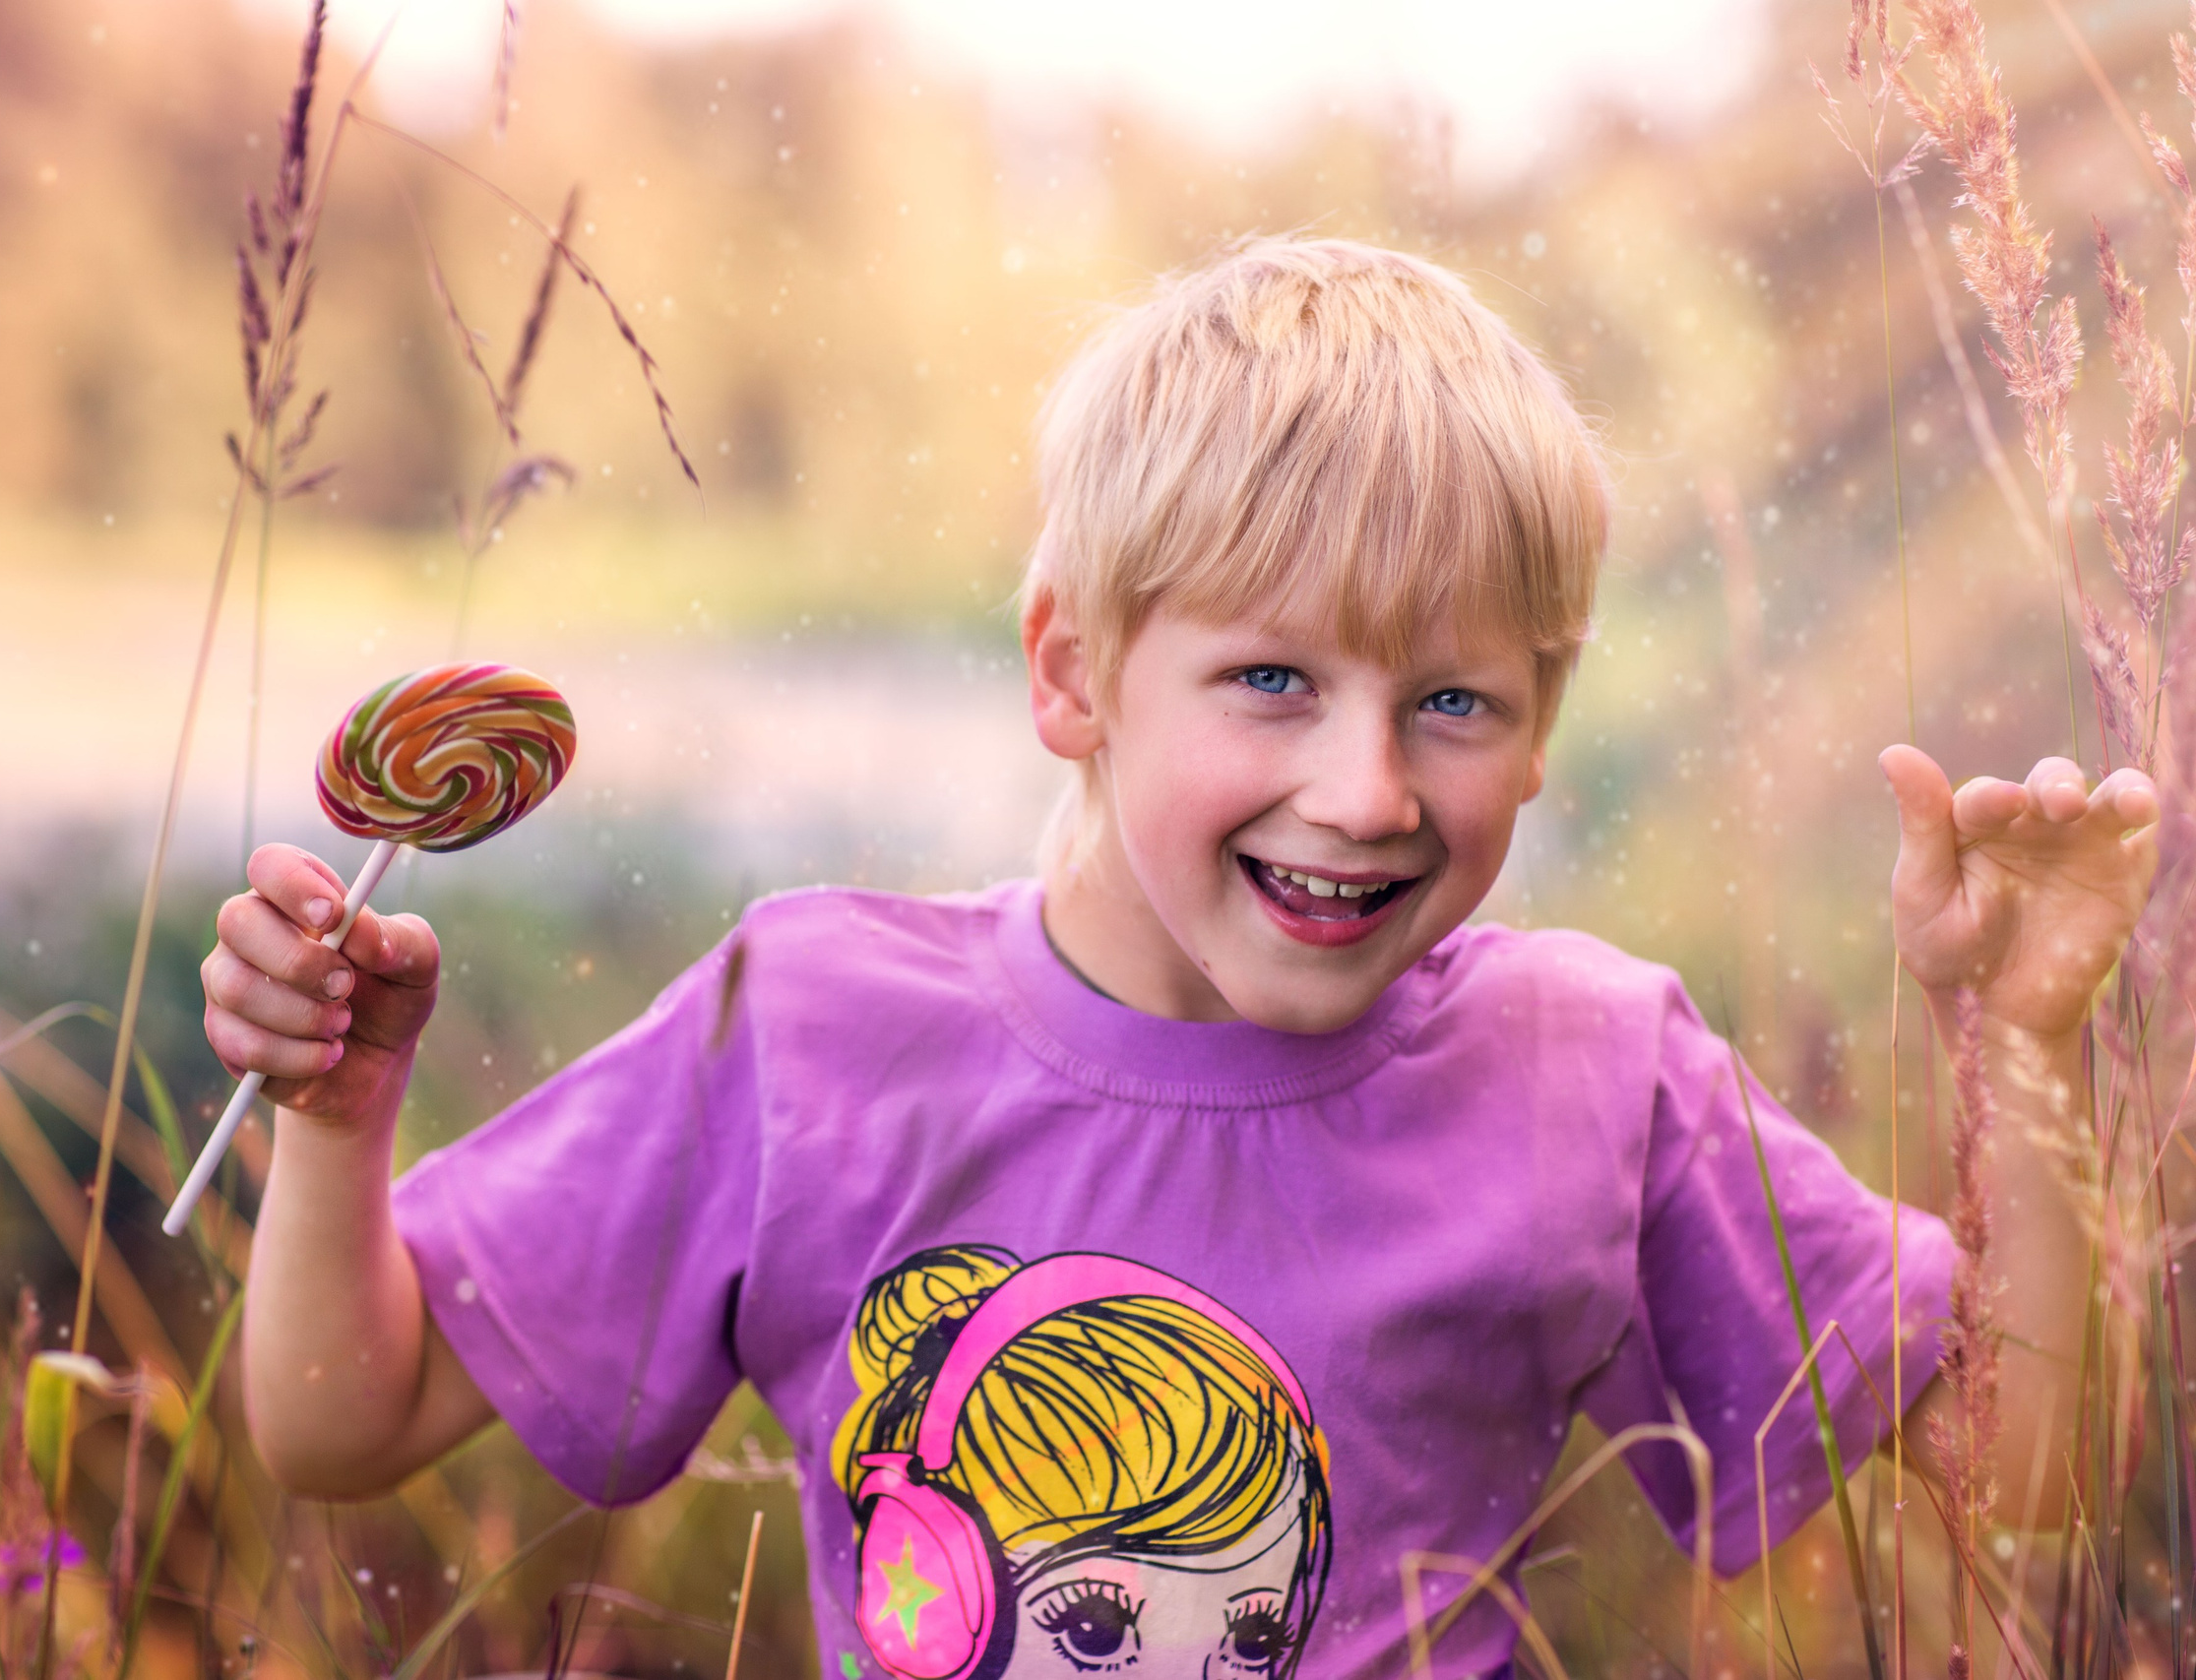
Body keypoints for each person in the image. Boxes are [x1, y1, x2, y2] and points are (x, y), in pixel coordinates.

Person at [200, 237, 2157, 1678]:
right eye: (1271, 680)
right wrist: (341, 1120)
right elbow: (335, 1414)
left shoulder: (1590, 1065)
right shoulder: (807, 1030)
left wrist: (2020, 1053)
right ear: (1071, 667)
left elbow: (2021, 1476)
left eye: (1454, 698)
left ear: (1544, 721)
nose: (1365, 787)